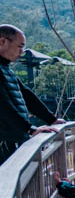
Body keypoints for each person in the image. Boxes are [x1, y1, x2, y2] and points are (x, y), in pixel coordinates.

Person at [0, 25, 64, 165]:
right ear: (2, 42)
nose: (22, 52)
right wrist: (29, 129)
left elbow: (26, 96)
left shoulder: (5, 69)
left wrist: (51, 119)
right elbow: (3, 107)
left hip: (12, 139)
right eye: (20, 46)